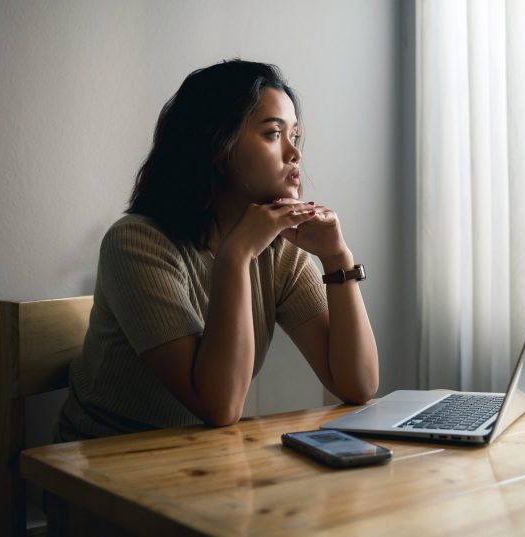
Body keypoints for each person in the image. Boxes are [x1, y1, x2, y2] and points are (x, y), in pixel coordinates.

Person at [56, 60, 379, 441]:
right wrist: (236, 255)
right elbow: (220, 405)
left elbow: (357, 385)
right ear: (217, 147)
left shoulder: (279, 251)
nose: (295, 153)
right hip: (104, 462)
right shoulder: (136, 243)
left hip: (205, 459)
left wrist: (336, 258)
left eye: (295, 135)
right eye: (274, 134)